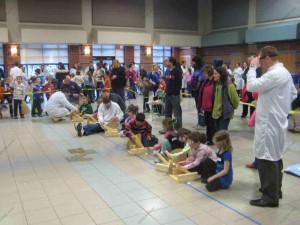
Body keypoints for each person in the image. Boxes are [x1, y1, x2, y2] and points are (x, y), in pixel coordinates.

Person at [247, 46, 297, 208]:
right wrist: (278, 104)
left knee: (266, 158)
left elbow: (251, 86)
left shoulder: (275, 74)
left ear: (267, 58)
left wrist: (252, 67)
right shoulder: (285, 73)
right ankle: (275, 190)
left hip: (269, 123)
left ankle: (269, 197)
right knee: (275, 156)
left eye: (259, 59)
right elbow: (293, 95)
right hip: (277, 120)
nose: (258, 63)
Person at [212, 67, 239, 131]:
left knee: (222, 134)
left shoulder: (230, 85)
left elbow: (235, 101)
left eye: (216, 74)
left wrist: (230, 107)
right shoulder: (216, 84)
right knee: (217, 133)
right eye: (213, 73)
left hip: (224, 114)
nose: (214, 75)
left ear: (221, 74)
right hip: (215, 113)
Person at [197, 65, 216, 145]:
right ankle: (208, 137)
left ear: (209, 72)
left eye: (205, 73)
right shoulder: (205, 82)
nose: (204, 75)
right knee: (207, 123)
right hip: (205, 107)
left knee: (212, 124)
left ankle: (213, 139)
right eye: (203, 73)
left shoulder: (214, 82)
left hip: (211, 107)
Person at [164, 57, 182, 131]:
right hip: (167, 95)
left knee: (177, 113)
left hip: (174, 96)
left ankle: (178, 128)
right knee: (167, 113)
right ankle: (168, 128)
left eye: (167, 61)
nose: (165, 62)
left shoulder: (177, 71)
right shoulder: (167, 71)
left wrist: (175, 93)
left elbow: (179, 84)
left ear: (171, 62)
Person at [191, 56, 205, 129]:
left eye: (193, 61)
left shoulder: (202, 69)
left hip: (200, 91)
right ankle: (199, 121)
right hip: (195, 91)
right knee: (198, 107)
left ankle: (202, 123)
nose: (192, 63)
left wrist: (195, 88)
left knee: (201, 108)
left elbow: (201, 79)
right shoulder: (195, 68)